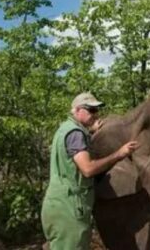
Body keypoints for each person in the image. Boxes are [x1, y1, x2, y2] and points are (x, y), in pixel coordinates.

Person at [41, 92, 138, 250]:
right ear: (78, 110)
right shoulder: (75, 134)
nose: (96, 114)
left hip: (58, 205)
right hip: (70, 209)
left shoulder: (66, 129)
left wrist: (90, 131)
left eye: (96, 110)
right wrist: (119, 154)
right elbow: (87, 169)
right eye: (91, 110)